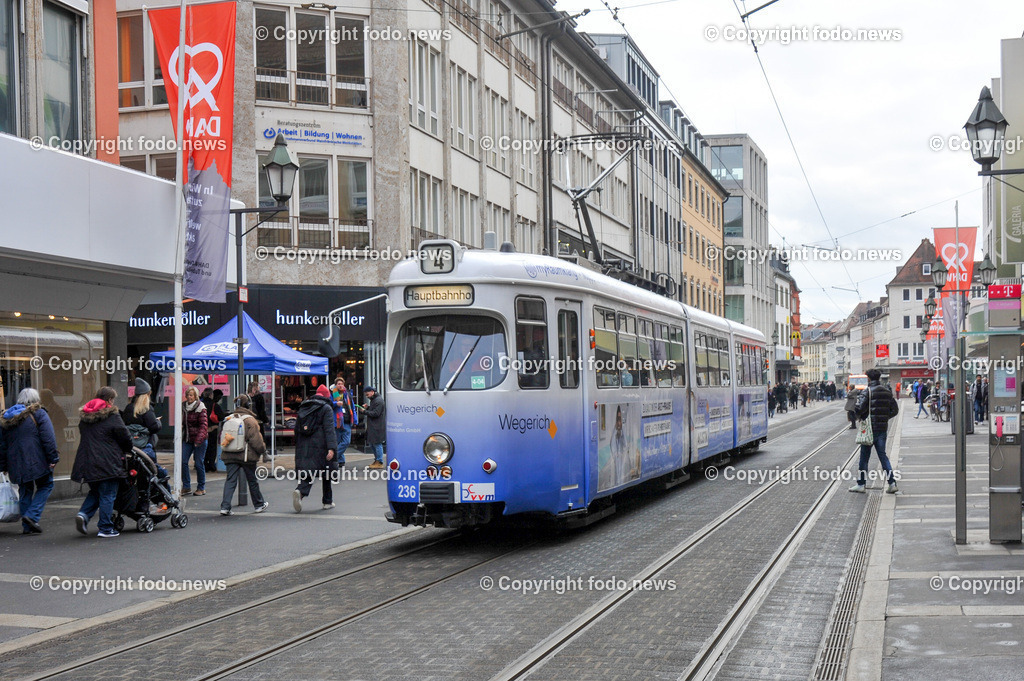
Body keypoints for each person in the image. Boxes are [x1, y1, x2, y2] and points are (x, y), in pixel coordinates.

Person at [72, 387, 132, 537]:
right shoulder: (112, 415)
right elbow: (124, 436)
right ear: (109, 400)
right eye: (113, 399)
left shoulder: (85, 416)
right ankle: (105, 528)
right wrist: (127, 449)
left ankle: (84, 514)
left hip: (87, 460)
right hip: (108, 461)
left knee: (96, 491)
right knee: (108, 494)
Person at [0, 388, 60, 534]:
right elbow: (48, 438)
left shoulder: (7, 418)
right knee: (46, 485)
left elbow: (2, 445)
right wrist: (53, 458)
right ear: (36, 400)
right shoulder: (39, 413)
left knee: (25, 491)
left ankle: (27, 527)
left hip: (15, 462)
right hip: (37, 460)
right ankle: (32, 516)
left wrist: (4, 465)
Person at [850, 368, 899, 494]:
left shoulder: (867, 391)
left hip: (869, 429)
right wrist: (884, 418)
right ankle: (892, 483)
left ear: (869, 378)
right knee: (883, 457)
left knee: (864, 458)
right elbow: (895, 410)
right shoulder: (887, 391)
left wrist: (855, 406)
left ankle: (861, 484)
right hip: (882, 429)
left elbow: (859, 409)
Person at [219, 394, 269, 515]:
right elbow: (256, 441)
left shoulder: (229, 418)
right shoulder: (250, 420)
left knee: (230, 480)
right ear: (249, 405)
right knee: (252, 480)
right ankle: (259, 504)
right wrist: (263, 451)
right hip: (246, 455)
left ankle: (225, 507)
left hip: (230, 454)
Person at [292, 385, 338, 513]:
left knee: (310, 470)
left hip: (304, 444)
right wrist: (332, 448)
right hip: (321, 445)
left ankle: (301, 492)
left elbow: (297, 430)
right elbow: (329, 430)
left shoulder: (303, 407)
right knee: (327, 471)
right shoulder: (326, 408)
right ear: (327, 396)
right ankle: (327, 501)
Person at [121, 378, 167, 479]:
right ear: (146, 395)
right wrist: (158, 421)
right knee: (149, 470)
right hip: (145, 446)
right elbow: (154, 427)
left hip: (131, 447)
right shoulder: (146, 409)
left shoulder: (129, 408)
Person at [181, 387, 208, 496]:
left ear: (196, 396)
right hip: (187, 438)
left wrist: (198, 440)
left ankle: (201, 487)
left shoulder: (201, 407)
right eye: (188, 395)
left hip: (199, 439)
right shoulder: (183, 406)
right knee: (183, 461)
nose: (189, 397)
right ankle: (186, 486)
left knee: (198, 463)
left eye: (191, 395)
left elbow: (203, 425)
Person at [331, 376, 356, 467]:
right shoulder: (332, 393)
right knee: (337, 441)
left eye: (341, 383)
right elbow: (328, 404)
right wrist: (335, 403)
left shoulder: (347, 394)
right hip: (337, 421)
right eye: (338, 384)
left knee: (346, 442)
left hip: (347, 421)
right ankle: (341, 461)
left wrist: (355, 420)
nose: (340, 385)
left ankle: (334, 458)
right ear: (335, 385)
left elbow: (352, 407)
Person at [359, 386, 386, 469]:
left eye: (367, 394)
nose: (367, 396)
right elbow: (375, 411)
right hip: (374, 426)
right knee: (372, 443)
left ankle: (379, 461)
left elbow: (376, 413)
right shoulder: (375, 400)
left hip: (377, 426)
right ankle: (377, 460)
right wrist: (368, 408)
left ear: (372, 392)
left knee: (377, 443)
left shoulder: (378, 400)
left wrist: (365, 411)